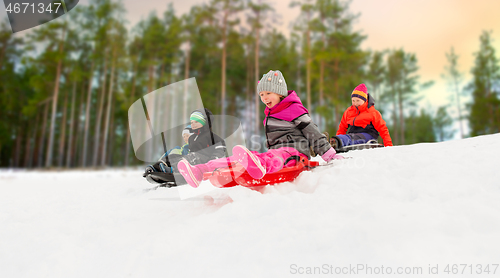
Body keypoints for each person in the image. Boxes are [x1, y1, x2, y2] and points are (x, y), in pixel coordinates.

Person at [177, 70, 343, 188]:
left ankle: (259, 164)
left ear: (280, 94)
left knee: (272, 157)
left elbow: (313, 133)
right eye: (261, 95)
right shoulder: (271, 114)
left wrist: (330, 155)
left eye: (268, 93)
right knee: (243, 157)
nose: (264, 98)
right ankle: (200, 170)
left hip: (296, 154)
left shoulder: (295, 109)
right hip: (275, 154)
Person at [144, 109, 226, 183]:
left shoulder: (211, 136)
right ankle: (157, 167)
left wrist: (214, 159)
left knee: (188, 159)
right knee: (173, 156)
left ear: (205, 122)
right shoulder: (192, 138)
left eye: (196, 122)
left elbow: (221, 147)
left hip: (204, 159)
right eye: (192, 122)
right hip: (192, 157)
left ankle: (172, 170)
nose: (193, 124)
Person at [330, 83, 393, 150]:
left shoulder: (372, 113)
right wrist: (338, 137)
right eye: (353, 101)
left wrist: (388, 146)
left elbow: (383, 129)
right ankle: (331, 142)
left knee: (351, 139)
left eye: (358, 100)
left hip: (368, 135)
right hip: (352, 135)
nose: (355, 103)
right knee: (349, 137)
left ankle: (336, 142)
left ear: (365, 100)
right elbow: (342, 128)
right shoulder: (349, 112)